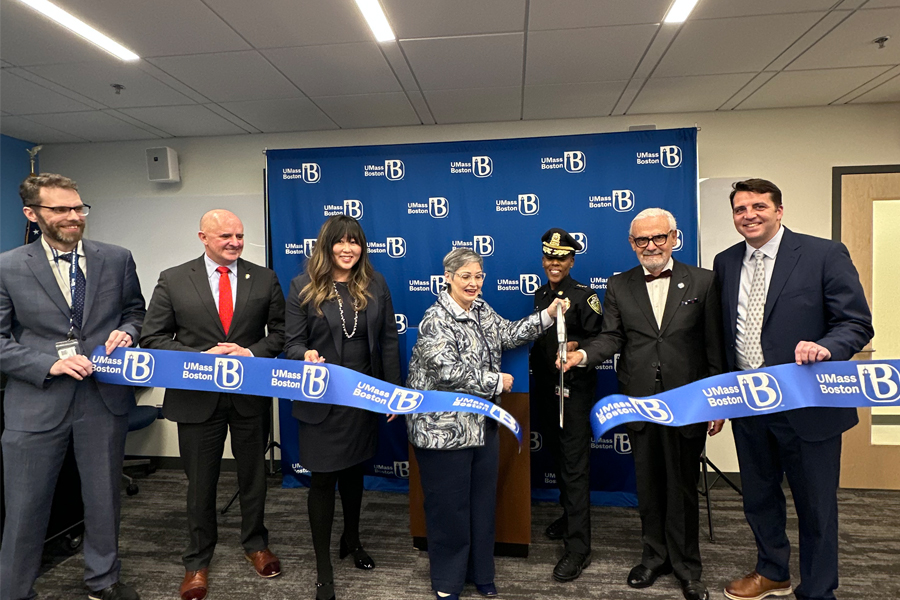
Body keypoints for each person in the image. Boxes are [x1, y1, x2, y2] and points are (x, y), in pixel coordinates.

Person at [713, 179, 873, 600]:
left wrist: (826, 346)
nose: (749, 214)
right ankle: (772, 572)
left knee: (816, 505)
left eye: (759, 206)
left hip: (809, 405)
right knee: (759, 498)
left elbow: (856, 323)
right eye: (740, 208)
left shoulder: (823, 253)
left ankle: (818, 590)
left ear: (779, 211)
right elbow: (722, 333)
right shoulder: (726, 262)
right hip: (749, 402)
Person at [561, 208, 725, 600]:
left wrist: (717, 402)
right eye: (641, 240)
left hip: (687, 402)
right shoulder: (619, 285)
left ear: (673, 237)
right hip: (639, 402)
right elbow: (612, 338)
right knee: (648, 485)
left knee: (683, 487)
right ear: (631, 243)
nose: (650, 246)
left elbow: (713, 346)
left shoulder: (704, 281)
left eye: (658, 238)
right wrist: (582, 355)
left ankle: (687, 567)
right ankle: (653, 556)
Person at [0, 174, 146, 600]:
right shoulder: (7, 266)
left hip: (103, 401)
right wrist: (50, 364)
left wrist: (128, 333)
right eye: (60, 209)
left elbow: (135, 312)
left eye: (78, 208)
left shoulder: (117, 258)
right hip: (36, 403)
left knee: (104, 502)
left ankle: (103, 582)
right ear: (32, 214)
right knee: (25, 510)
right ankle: (13, 591)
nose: (73, 217)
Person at [140, 210, 285, 600]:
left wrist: (250, 351)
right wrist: (202, 357)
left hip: (249, 397)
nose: (235, 242)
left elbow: (282, 335)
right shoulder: (173, 279)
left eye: (239, 235)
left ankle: (255, 544)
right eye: (225, 236)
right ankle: (197, 562)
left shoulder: (265, 278)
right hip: (195, 400)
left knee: (253, 478)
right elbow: (152, 338)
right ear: (203, 237)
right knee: (200, 484)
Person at [407, 248, 567, 600]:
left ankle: (481, 572)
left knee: (481, 504)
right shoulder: (436, 318)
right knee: (448, 508)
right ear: (448, 277)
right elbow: (446, 371)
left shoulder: (481, 309)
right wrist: (497, 382)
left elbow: (508, 335)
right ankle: (447, 581)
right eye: (466, 276)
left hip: (482, 428)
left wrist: (548, 316)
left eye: (478, 276)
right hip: (443, 431)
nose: (474, 283)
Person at [283, 215, 401, 600]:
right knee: (322, 482)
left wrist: (391, 391)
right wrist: (306, 354)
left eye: (355, 242)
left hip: (362, 399)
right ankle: (323, 571)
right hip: (322, 402)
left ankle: (352, 539)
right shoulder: (302, 286)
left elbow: (387, 341)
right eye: (341, 242)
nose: (348, 249)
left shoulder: (375, 282)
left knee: (354, 472)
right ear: (327, 245)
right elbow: (292, 343)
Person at [529, 228, 602, 582]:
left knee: (574, 465)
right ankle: (568, 515)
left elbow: (601, 339)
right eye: (549, 257)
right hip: (546, 390)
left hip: (573, 393)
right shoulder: (541, 295)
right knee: (558, 458)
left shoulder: (584, 296)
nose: (554, 263)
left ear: (571, 261)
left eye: (561, 258)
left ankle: (579, 548)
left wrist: (576, 347)